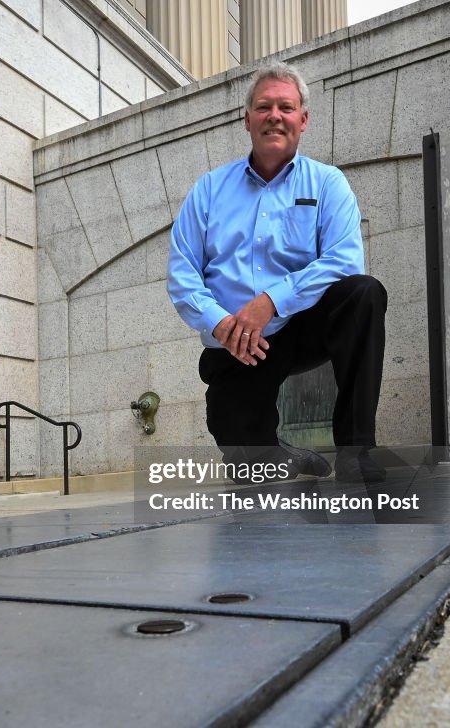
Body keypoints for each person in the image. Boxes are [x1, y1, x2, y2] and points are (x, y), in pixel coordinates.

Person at [167, 61, 387, 484]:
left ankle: (356, 452)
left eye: (286, 107)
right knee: (249, 466)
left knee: (362, 293)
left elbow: (344, 260)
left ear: (303, 120)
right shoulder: (209, 190)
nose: (274, 116)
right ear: (246, 119)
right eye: (264, 106)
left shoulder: (328, 184)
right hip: (236, 341)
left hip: (305, 324)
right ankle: (280, 452)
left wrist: (271, 301)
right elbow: (182, 274)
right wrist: (223, 323)